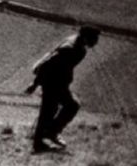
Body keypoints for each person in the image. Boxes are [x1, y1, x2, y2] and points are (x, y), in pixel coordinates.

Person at [27, 25, 100, 153]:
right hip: (52, 82)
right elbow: (46, 65)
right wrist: (35, 84)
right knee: (63, 107)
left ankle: (46, 137)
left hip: (58, 83)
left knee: (52, 110)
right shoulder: (70, 48)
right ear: (86, 37)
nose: (96, 41)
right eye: (94, 38)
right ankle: (45, 137)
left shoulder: (78, 45)